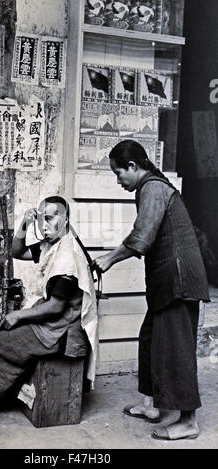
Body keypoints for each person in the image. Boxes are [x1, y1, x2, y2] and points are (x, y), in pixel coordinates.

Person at [93, 140, 209, 441]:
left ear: (134, 167)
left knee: (177, 350)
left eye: (119, 173)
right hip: (166, 281)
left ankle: (188, 421)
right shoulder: (150, 188)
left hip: (179, 280)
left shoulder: (153, 187)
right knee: (150, 341)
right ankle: (153, 406)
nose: (118, 180)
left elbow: (142, 237)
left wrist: (108, 259)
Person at [0, 196, 98, 408]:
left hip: (61, 332)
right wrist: (25, 225)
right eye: (41, 219)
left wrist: (17, 314)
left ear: (65, 220)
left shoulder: (67, 256)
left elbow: (56, 306)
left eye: (50, 218)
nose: (44, 225)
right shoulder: (52, 245)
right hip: (51, 323)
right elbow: (17, 252)